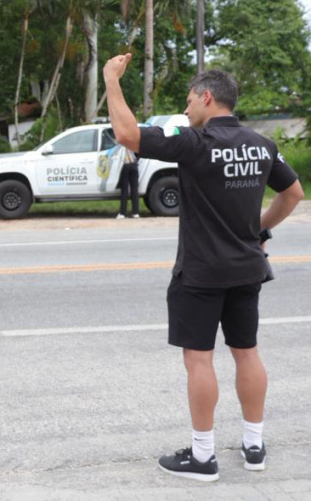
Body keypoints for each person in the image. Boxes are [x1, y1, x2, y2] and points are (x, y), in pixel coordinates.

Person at [104, 56, 304, 482]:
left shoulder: (194, 142)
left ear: (207, 97)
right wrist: (258, 230)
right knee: (246, 351)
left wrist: (111, 80)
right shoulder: (261, 144)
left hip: (200, 273)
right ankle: (254, 447)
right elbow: (293, 194)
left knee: (200, 360)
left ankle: (202, 457)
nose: (187, 108)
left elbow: (126, 134)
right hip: (248, 269)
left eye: (190, 100)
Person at [116, 145, 140, 219]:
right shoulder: (132, 142)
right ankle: (135, 213)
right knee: (134, 190)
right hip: (134, 165)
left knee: (124, 190)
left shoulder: (121, 143)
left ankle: (123, 213)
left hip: (125, 165)